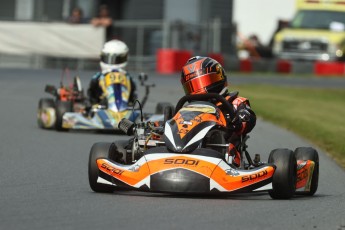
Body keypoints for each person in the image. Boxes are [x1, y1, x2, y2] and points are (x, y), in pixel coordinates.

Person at [180, 56, 256, 167]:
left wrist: (238, 119)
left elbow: (249, 119)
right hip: (191, 153)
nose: (199, 89)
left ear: (218, 78)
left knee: (226, 146)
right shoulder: (187, 109)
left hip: (224, 154)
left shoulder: (234, 102)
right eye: (193, 86)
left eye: (202, 82)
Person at [87, 39, 136, 106]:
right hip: (99, 108)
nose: (112, 62)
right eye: (108, 58)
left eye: (116, 59)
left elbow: (133, 96)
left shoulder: (128, 78)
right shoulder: (97, 77)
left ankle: (123, 105)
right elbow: (91, 93)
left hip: (124, 109)